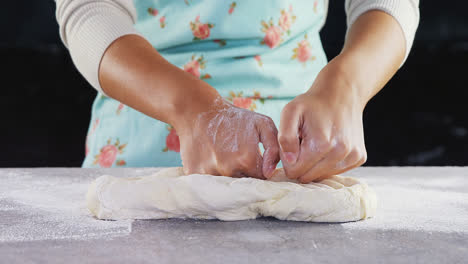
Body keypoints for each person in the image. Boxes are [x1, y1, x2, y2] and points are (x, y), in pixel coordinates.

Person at [55, 0, 419, 183]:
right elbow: (90, 11)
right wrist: (192, 109)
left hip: (301, 154)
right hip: (143, 145)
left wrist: (347, 85)